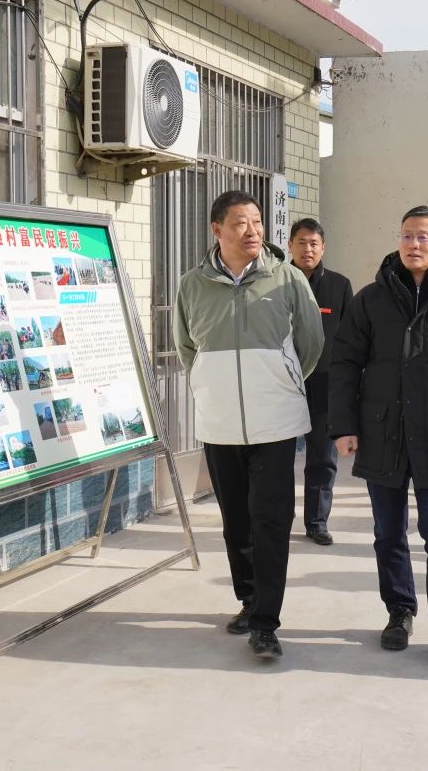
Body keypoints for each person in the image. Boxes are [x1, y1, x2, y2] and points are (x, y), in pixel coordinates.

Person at [330, 205, 428, 672]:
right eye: (407, 235)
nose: (414, 244)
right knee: (387, 531)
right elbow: (345, 362)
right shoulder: (370, 299)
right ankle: (399, 611)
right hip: (382, 430)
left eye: (423, 236)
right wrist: (343, 425)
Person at [174, 190, 325, 659]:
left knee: (271, 521)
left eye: (257, 221)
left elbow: (311, 343)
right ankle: (248, 600)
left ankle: (265, 623)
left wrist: (281, 381)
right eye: (241, 223)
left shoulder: (288, 278)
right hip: (220, 424)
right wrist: (211, 385)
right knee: (236, 521)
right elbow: (186, 348)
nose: (253, 231)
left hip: (275, 422)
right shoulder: (192, 285)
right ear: (217, 230)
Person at [288, 217, 353, 546]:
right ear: (290, 246)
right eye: (301, 242)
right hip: (283, 385)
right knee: (278, 458)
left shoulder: (339, 286)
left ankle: (316, 522)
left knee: (322, 458)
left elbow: (352, 340)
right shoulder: (276, 283)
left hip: (326, 385)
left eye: (314, 243)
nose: (308, 249)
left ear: (323, 247)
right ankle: (278, 518)